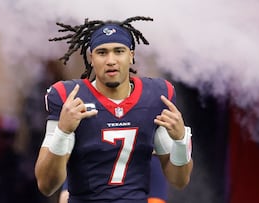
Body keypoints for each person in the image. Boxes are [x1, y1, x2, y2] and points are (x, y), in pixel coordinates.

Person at [35, 16, 193, 203]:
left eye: (119, 51)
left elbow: (179, 180)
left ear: (131, 55)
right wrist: (62, 131)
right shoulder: (70, 98)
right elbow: (46, 185)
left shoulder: (156, 97)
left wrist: (181, 141)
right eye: (102, 52)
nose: (111, 60)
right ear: (91, 58)